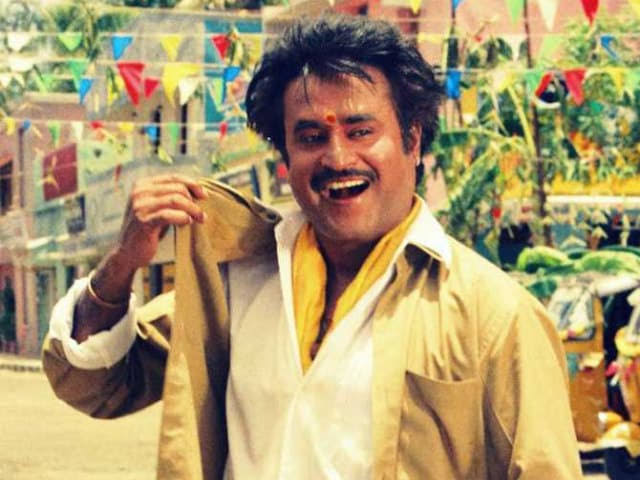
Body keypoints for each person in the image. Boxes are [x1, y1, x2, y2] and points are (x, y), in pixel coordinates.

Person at [43, 14, 581, 479]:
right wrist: (123, 264)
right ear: (286, 156)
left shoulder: (496, 316)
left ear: (412, 139)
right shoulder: (236, 282)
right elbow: (94, 384)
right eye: (310, 137)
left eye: (360, 130)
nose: (337, 157)